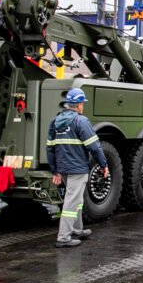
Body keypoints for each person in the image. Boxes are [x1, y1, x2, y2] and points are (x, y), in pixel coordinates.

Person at [47, 88, 109, 248]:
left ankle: (77, 229)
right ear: (79, 104)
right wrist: (103, 164)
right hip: (77, 169)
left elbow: (50, 148)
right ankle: (63, 237)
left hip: (63, 168)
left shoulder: (55, 121)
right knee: (71, 202)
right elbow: (94, 146)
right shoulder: (80, 121)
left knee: (77, 200)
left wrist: (55, 170)